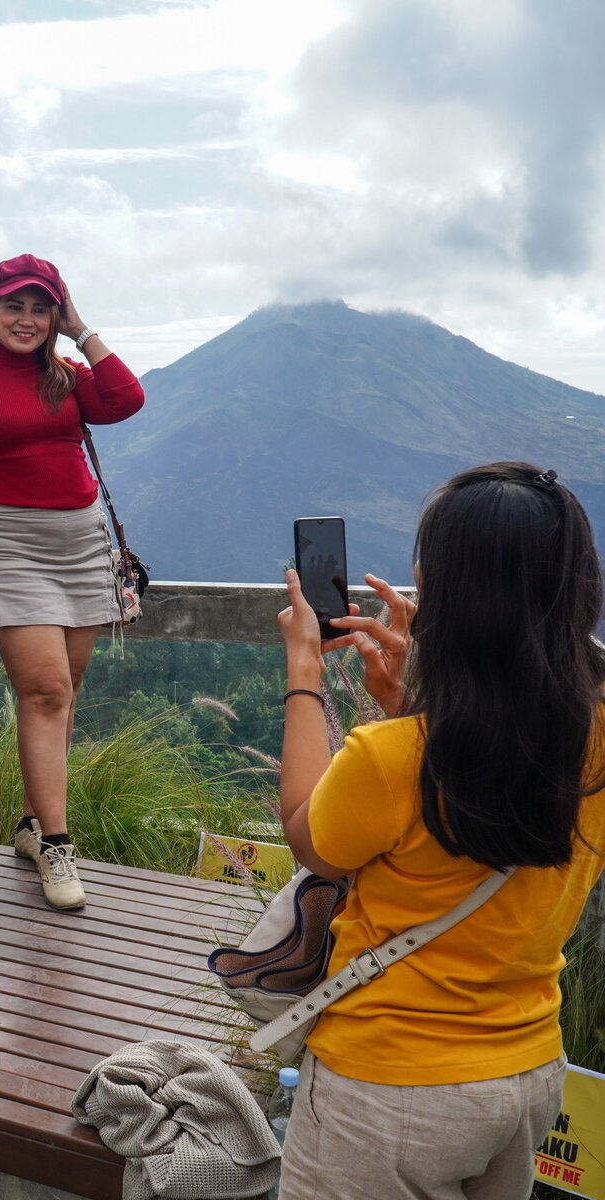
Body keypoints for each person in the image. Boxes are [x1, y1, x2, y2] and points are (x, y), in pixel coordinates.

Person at [275, 462, 605, 1200]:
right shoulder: (597, 744)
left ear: (449, 597)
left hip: (386, 1091)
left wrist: (303, 666)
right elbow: (497, 775)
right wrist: (420, 697)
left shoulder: (393, 758)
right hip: (526, 1078)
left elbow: (308, 840)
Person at [0, 254, 145, 911]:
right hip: (12, 546)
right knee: (46, 689)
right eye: (13, 306)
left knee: (63, 691)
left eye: (40, 307)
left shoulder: (67, 374)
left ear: (55, 314)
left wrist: (81, 328)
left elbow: (127, 398)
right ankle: (56, 846)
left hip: (81, 545)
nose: (25, 319)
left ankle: (29, 824)